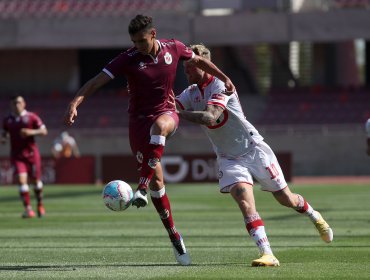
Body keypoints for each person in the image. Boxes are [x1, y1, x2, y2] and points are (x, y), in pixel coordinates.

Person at [63, 15, 235, 266]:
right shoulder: (128, 59)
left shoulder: (173, 47)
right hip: (137, 123)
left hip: (166, 113)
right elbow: (96, 81)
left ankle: (140, 187)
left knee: (160, 127)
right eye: (134, 41)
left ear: (153, 34)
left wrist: (225, 77)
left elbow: (198, 60)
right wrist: (75, 102)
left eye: (141, 41)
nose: (138, 46)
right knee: (158, 183)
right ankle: (174, 234)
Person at [176, 44, 333, 267]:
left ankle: (314, 215)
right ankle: (268, 253)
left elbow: (211, 117)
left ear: (205, 66)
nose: (186, 72)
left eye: (190, 67)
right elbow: (170, 105)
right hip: (228, 157)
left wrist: (179, 113)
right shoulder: (191, 93)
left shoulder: (221, 86)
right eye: (185, 68)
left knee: (285, 199)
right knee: (244, 200)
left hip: (253, 149)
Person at [1, 96, 48, 218]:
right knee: (21, 181)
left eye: (19, 102)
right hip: (17, 155)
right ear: (11, 105)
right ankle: (28, 209)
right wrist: (3, 139)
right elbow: (4, 133)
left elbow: (44, 131)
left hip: (32, 154)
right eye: (15, 103)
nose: (17, 105)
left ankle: (40, 204)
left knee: (36, 182)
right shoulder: (8, 120)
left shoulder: (32, 117)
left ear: (24, 104)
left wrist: (31, 132)